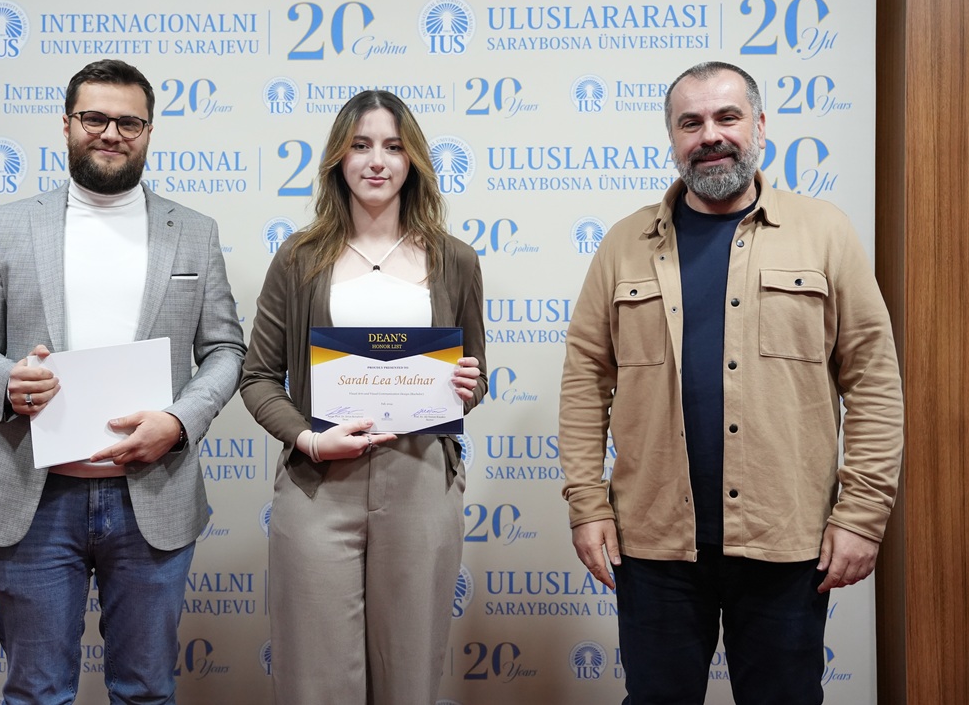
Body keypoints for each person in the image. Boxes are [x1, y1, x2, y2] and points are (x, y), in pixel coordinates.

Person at [558, 61, 903, 704]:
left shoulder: (824, 233)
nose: (710, 135)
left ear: (760, 126)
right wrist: (588, 505)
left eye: (727, 117)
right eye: (690, 123)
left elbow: (873, 378)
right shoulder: (624, 244)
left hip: (786, 541)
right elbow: (585, 381)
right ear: (672, 137)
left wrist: (862, 515)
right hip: (655, 544)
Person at [0, 59, 245, 704]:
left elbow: (225, 350)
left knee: (145, 692)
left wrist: (180, 421)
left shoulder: (194, 232)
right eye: (95, 118)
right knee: (36, 693)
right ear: (67, 125)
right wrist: (6, 380)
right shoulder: (12, 223)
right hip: (36, 497)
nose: (111, 133)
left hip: (152, 498)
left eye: (129, 122)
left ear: (149, 131)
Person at [240, 90, 486, 705]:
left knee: (410, 674)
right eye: (361, 145)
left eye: (393, 147)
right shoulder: (299, 258)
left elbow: (475, 376)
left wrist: (467, 386)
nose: (377, 161)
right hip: (320, 482)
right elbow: (258, 376)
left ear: (413, 161)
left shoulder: (455, 260)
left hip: (421, 478)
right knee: (315, 678)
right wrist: (308, 439)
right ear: (338, 159)